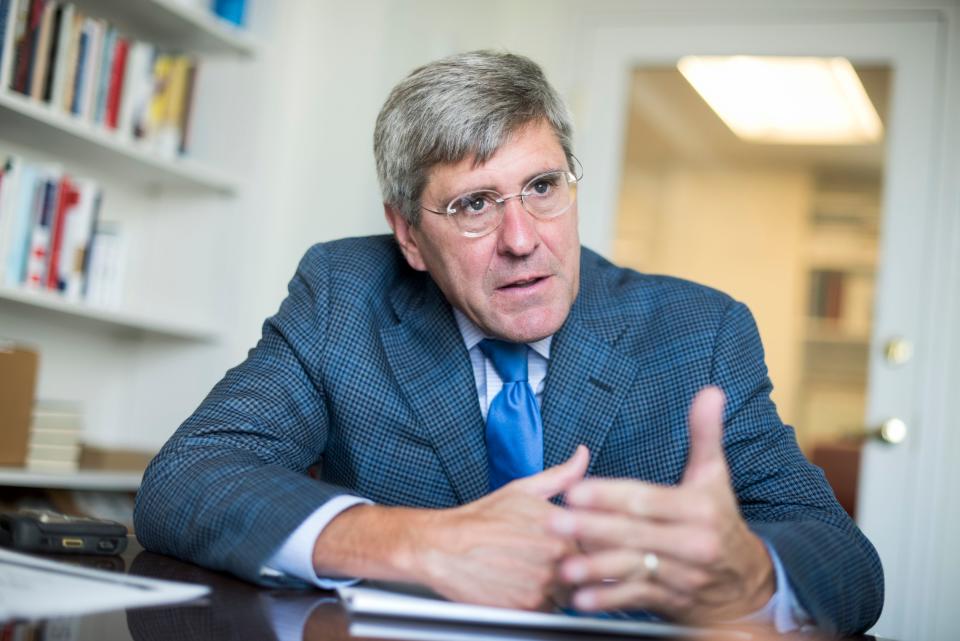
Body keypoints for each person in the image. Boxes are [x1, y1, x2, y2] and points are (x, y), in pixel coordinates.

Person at [134, 50, 883, 635]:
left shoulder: (699, 333)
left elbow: (849, 565)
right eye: (472, 204)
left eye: (543, 187)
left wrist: (750, 573)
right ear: (410, 235)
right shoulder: (344, 294)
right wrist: (415, 543)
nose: (523, 239)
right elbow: (187, 478)